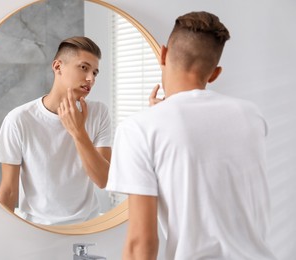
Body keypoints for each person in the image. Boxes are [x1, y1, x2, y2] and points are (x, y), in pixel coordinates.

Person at [106, 11, 277, 260]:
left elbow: (141, 244)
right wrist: (163, 118)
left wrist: (158, 120)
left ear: (163, 53)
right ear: (215, 73)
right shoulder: (251, 116)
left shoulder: (139, 129)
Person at [0, 36, 112, 225]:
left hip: (88, 226)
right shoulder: (19, 119)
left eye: (95, 73)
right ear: (57, 67)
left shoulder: (99, 112)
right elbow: (8, 190)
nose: (91, 78)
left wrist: (78, 131)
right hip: (36, 228)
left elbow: (103, 180)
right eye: (84, 67)